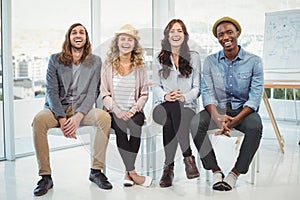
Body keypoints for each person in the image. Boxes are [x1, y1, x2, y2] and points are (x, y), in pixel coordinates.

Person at [32, 23, 113, 196]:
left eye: (81, 32)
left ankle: (96, 171)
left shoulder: (95, 61)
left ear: (86, 38)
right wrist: (62, 119)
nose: (78, 35)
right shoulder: (55, 60)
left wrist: (77, 118)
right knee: (39, 120)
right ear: (69, 37)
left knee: (104, 118)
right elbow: (51, 91)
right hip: (57, 109)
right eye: (74, 32)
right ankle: (45, 176)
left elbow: (93, 92)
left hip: (81, 110)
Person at [190, 16, 264, 191]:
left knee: (256, 126)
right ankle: (215, 171)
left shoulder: (254, 61)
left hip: (243, 109)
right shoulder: (210, 61)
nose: (225, 37)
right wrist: (216, 116)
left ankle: (234, 173)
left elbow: (255, 97)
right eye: (221, 34)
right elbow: (207, 93)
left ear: (238, 33)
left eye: (229, 32)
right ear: (218, 38)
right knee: (195, 123)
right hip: (219, 108)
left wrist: (236, 120)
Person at [100, 24, 152, 187]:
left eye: (130, 39)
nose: (126, 42)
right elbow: (104, 93)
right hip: (114, 111)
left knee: (136, 126)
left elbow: (144, 94)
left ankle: (128, 172)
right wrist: (117, 110)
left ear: (134, 44)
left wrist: (133, 110)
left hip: (134, 111)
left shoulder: (140, 67)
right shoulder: (108, 65)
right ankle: (132, 172)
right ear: (117, 42)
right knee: (121, 128)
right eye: (123, 39)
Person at [152, 19, 201, 188]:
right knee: (171, 109)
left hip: (187, 107)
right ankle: (188, 157)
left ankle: (168, 168)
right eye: (172, 31)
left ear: (184, 35)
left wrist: (184, 97)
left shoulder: (194, 57)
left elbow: (197, 88)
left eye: (179, 31)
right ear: (167, 35)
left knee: (171, 118)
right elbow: (156, 86)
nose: (175, 34)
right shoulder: (159, 58)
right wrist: (166, 96)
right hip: (161, 106)